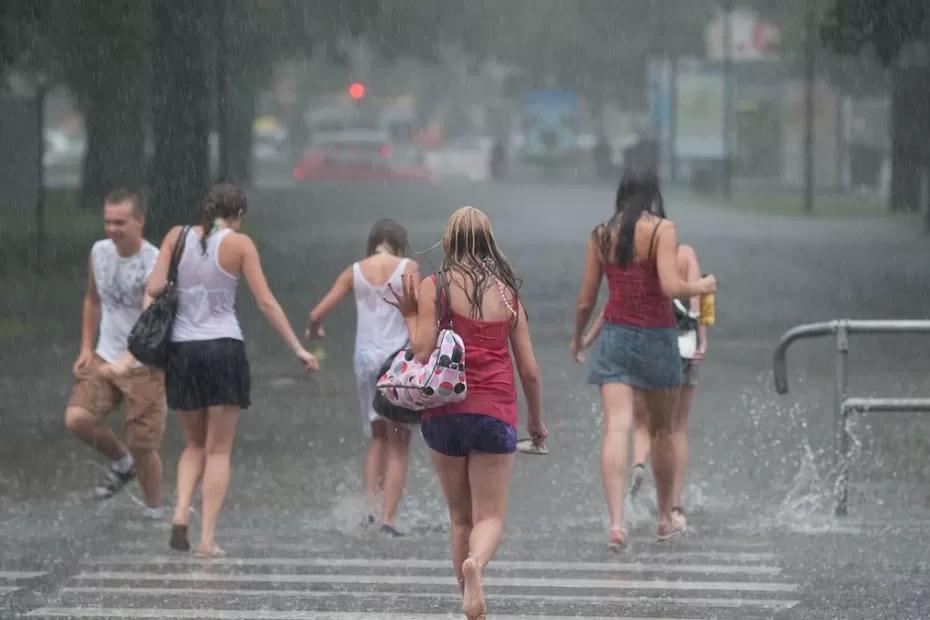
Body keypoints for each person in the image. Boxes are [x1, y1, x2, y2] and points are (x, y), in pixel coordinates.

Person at [386, 206, 547, 620]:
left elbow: (421, 352)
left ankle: (466, 594)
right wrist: (535, 422)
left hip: (444, 413)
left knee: (459, 516)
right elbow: (529, 369)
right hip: (495, 411)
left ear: (449, 241)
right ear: (488, 242)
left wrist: (409, 317)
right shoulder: (508, 293)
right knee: (489, 514)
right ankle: (477, 566)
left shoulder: (434, 286)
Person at [146, 183, 318, 557]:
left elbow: (154, 285)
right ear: (239, 215)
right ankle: (207, 538)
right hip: (224, 349)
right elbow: (266, 302)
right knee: (218, 451)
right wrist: (298, 348)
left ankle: (179, 513)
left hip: (182, 350)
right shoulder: (240, 245)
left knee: (193, 444)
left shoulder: (176, 237)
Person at [571, 168, 715, 548]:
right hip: (657, 338)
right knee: (662, 432)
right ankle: (665, 517)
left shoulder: (601, 234)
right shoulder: (662, 230)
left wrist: (577, 339)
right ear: (653, 193)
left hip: (615, 337)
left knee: (617, 427)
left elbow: (587, 298)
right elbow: (669, 286)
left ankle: (618, 523)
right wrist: (699, 286)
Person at [581, 244, 709, 530]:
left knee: (641, 423)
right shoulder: (686, 254)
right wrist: (702, 340)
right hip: (681, 347)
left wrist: (585, 338)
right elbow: (698, 303)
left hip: (642, 345)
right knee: (675, 427)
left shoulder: (633, 257)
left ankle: (638, 461)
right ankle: (674, 507)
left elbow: (612, 305)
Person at [306, 218, 419, 537]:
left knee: (378, 437)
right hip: (396, 361)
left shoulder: (354, 271)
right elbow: (421, 311)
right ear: (399, 244)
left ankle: (369, 510)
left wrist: (316, 331)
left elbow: (316, 314)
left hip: (365, 360)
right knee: (399, 443)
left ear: (373, 244)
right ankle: (388, 519)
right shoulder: (407, 268)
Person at [64, 187, 167, 519]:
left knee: (143, 444)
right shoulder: (99, 252)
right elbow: (92, 299)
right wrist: (85, 347)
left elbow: (154, 318)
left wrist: (130, 360)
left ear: (140, 221)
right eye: (108, 222)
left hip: (143, 364)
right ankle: (122, 463)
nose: (112, 229)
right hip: (105, 354)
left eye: (120, 222)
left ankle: (154, 511)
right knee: (77, 419)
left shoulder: (154, 261)